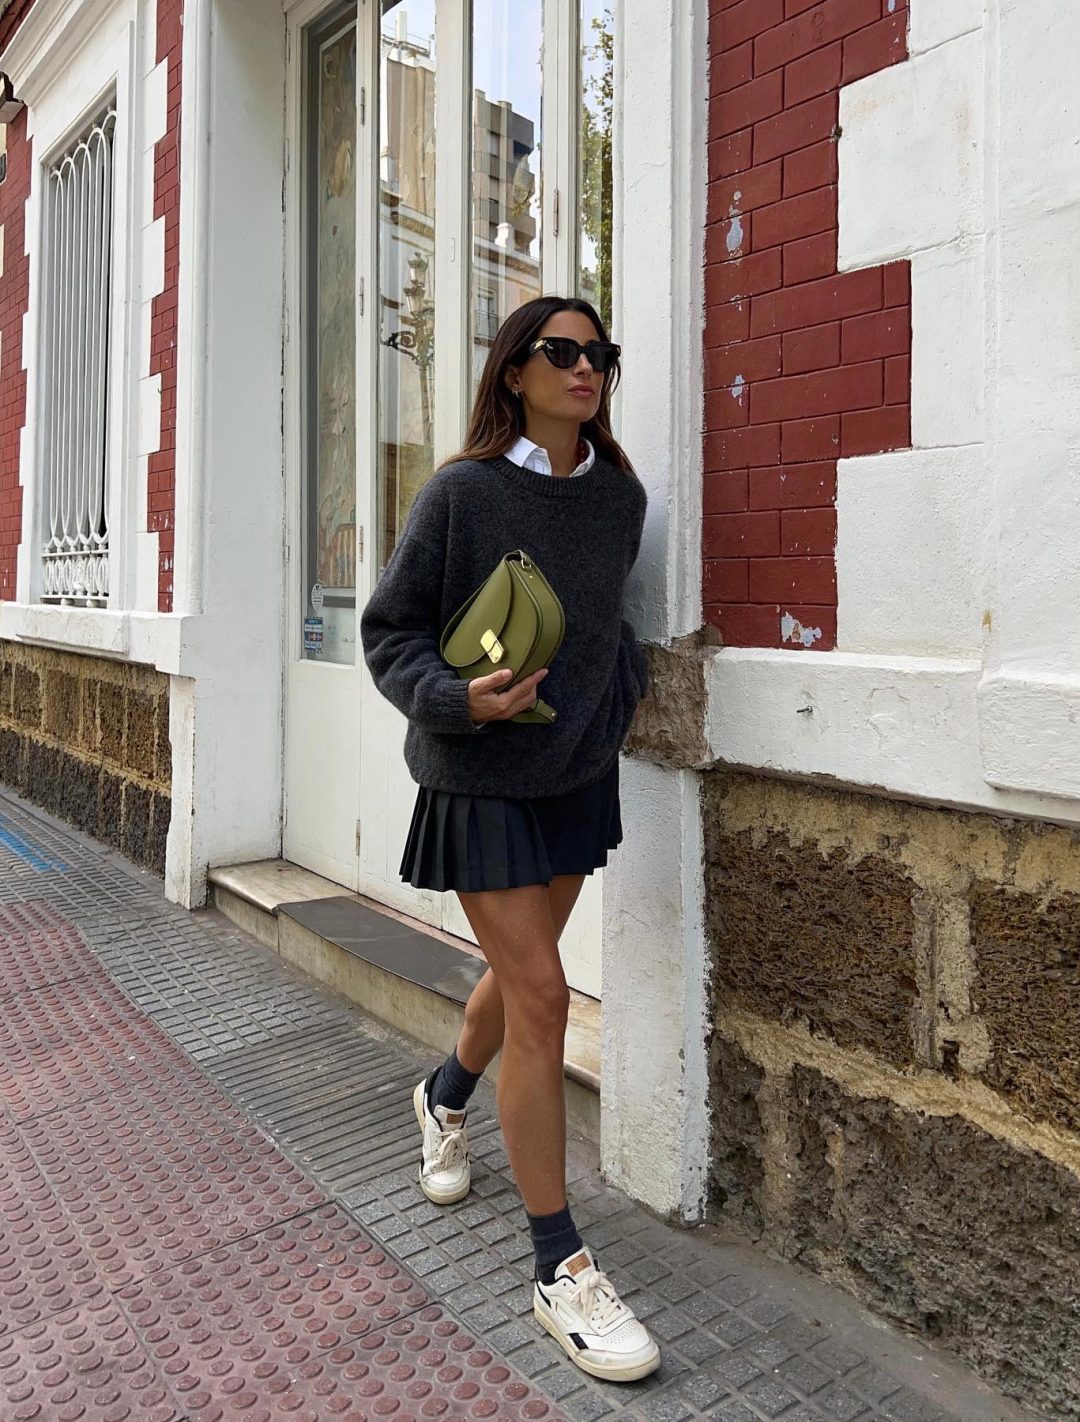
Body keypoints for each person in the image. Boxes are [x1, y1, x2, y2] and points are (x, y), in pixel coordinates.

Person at [359, 294, 657, 1383]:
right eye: (562, 352)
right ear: (515, 373)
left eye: (600, 355)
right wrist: (456, 700)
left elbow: (605, 622)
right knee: (541, 996)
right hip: (478, 776)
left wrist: (614, 693)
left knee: (517, 977)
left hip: (572, 777)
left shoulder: (618, 499)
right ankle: (558, 1270)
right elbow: (389, 630)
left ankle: (443, 1093)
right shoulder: (462, 493)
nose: (586, 369)